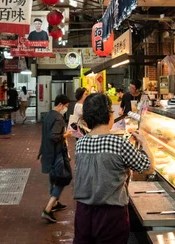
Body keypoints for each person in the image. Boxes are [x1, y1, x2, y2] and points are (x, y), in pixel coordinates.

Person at [73, 93, 154, 243]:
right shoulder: (119, 143)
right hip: (111, 215)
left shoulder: (80, 143)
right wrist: (144, 143)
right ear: (109, 115)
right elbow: (147, 168)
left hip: (83, 213)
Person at [38, 94, 72, 223]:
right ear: (60, 105)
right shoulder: (59, 119)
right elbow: (54, 136)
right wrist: (65, 135)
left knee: (53, 177)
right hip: (56, 153)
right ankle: (47, 209)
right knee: (63, 179)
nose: (66, 109)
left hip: (47, 152)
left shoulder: (48, 115)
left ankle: (55, 203)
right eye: (66, 106)